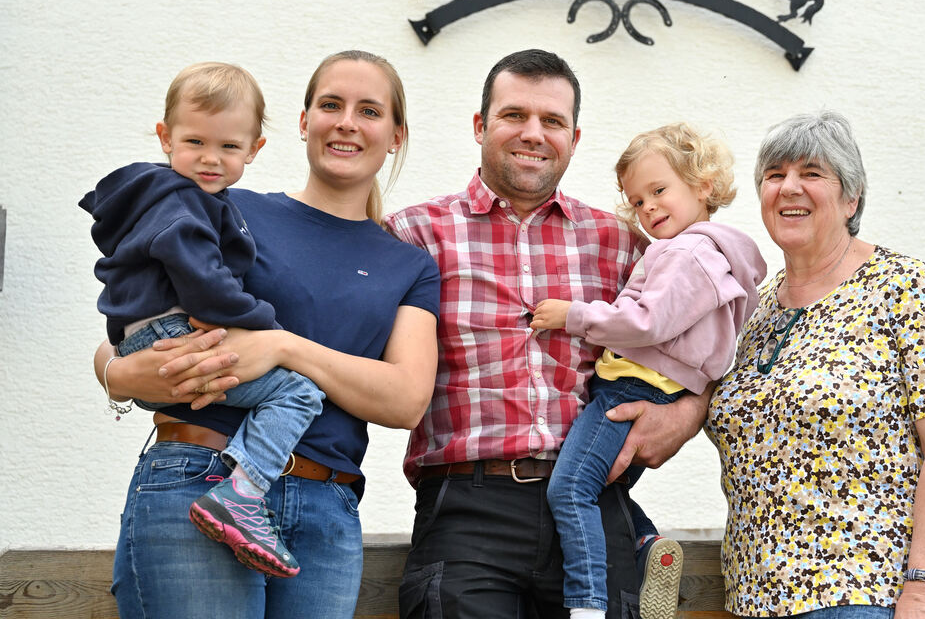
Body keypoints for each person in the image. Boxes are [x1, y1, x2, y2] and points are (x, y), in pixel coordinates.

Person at [93, 50, 440, 619]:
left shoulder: (409, 265)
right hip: (198, 475)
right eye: (331, 105)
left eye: (369, 111)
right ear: (304, 121)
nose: (346, 122)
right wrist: (118, 373)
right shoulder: (223, 206)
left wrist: (282, 346)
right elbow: (130, 328)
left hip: (325, 506)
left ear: (396, 135)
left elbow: (405, 401)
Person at [386, 49, 709, 619]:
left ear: (574, 138)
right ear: (481, 125)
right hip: (466, 510)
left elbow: (703, 337)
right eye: (514, 115)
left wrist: (687, 413)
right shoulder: (414, 234)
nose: (533, 133)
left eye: (552, 121)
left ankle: (637, 536)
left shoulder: (624, 244)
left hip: (592, 504)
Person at [704, 111, 925, 619]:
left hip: (857, 597)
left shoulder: (904, 286)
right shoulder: (756, 308)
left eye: (811, 173)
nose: (789, 187)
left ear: (851, 198)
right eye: (774, 175)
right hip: (750, 600)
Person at [81, 61, 325, 578]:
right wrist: (266, 326)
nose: (211, 158)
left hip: (144, 341)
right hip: (174, 332)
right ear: (165, 137)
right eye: (195, 142)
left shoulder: (168, 198)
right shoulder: (182, 203)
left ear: (254, 149)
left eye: (229, 146)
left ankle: (240, 497)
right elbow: (206, 288)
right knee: (299, 392)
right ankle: (242, 496)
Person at [530, 122, 767, 619]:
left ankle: (586, 605)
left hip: (631, 389)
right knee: (603, 487)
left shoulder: (687, 252)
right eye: (637, 201)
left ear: (703, 184)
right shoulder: (715, 255)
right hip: (661, 391)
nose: (649, 208)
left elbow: (649, 321)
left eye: (659, 190)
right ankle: (645, 545)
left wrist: (573, 316)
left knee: (569, 490)